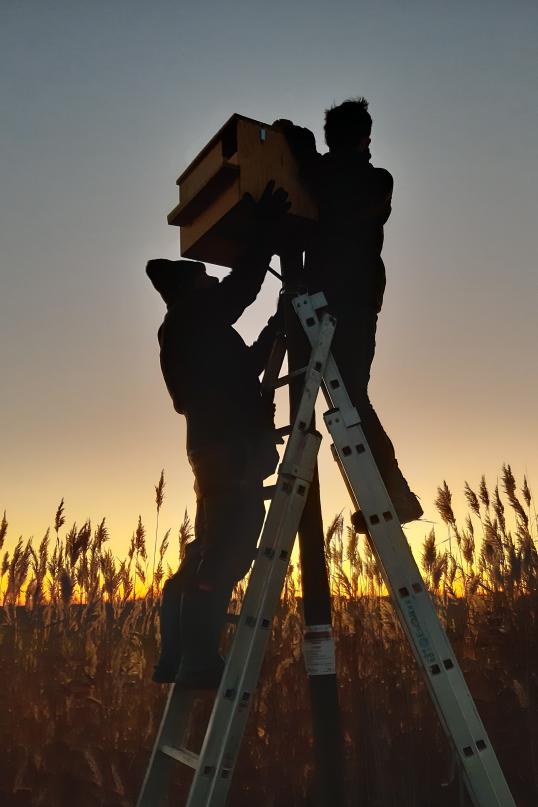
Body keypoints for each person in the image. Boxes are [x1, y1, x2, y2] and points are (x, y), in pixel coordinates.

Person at [146, 181, 290, 688]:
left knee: (206, 550)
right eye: (205, 279)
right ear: (190, 289)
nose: (213, 282)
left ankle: (176, 656)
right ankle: (199, 661)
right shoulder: (193, 315)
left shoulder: (187, 330)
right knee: (227, 552)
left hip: (214, 450)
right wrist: (270, 228)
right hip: (230, 451)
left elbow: (242, 368)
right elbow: (245, 285)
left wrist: (277, 326)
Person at [274, 99, 422, 525]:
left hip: (326, 298)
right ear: (364, 139)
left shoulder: (326, 172)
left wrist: (293, 135)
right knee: (351, 395)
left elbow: (309, 157)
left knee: (346, 395)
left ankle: (394, 494)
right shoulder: (374, 178)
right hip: (353, 300)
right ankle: (394, 493)